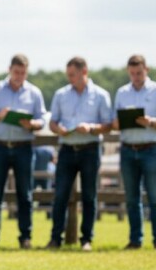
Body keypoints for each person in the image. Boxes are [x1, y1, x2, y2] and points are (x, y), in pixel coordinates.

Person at [45, 57, 113, 251]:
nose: (70, 78)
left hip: (90, 149)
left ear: (84, 72)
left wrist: (91, 128)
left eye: (72, 74)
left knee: (89, 196)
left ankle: (86, 240)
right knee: (60, 195)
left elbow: (108, 125)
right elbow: (52, 122)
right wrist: (59, 130)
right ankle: (55, 238)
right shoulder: (61, 94)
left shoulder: (101, 95)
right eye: (68, 75)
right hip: (66, 149)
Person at [0, 54, 45, 249]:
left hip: (23, 146)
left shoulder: (34, 92)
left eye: (23, 73)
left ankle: (25, 237)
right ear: (10, 70)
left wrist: (32, 124)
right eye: (17, 72)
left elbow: (43, 119)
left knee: (25, 195)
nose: (19, 76)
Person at [113, 54, 156, 252]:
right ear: (128, 72)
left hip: (151, 148)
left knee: (155, 197)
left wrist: (151, 122)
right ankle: (135, 240)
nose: (136, 77)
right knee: (132, 198)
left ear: (146, 70)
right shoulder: (122, 93)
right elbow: (114, 121)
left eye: (139, 73)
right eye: (132, 73)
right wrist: (119, 122)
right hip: (128, 149)